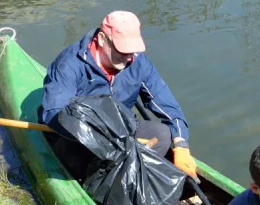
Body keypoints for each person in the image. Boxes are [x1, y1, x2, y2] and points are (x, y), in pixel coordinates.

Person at [40, 10, 197, 180]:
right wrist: (101, 136)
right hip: (81, 137)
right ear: (101, 39)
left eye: (132, 50)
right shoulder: (69, 64)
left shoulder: (138, 62)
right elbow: (54, 113)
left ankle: (131, 181)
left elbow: (167, 104)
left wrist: (181, 145)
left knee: (162, 134)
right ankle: (98, 184)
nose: (129, 57)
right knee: (82, 158)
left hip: (122, 128)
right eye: (122, 50)